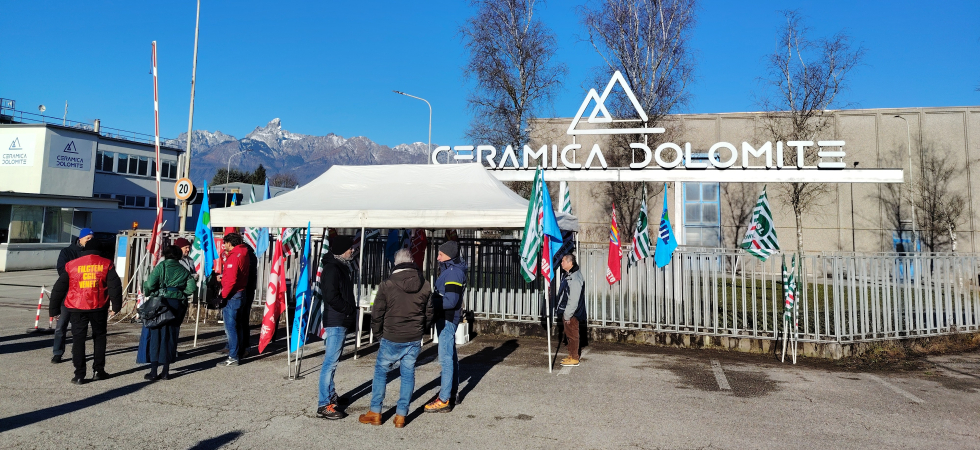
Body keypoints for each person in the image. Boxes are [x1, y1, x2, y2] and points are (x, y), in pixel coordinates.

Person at [359, 249, 433, 428]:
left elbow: (377, 313)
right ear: (412, 262)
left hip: (391, 335)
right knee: (408, 374)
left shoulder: (387, 284)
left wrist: (378, 333)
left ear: (396, 264)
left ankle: (375, 412)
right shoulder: (425, 285)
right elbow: (429, 313)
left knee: (381, 372)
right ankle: (401, 415)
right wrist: (421, 330)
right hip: (413, 336)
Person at [48, 240, 122, 384]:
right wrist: (116, 306)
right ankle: (98, 370)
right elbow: (115, 286)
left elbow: (59, 288)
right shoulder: (106, 264)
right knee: (99, 337)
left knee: (78, 339)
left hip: (76, 306)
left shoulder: (72, 265)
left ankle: (79, 374)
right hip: (98, 306)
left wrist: (54, 309)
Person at [137, 244, 196, 380]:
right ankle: (165, 371)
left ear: (165, 254)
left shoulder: (161, 267)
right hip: (176, 304)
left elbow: (150, 285)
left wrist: (152, 292)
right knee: (170, 336)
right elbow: (192, 288)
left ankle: (153, 371)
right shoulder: (183, 269)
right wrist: (181, 294)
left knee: (155, 335)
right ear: (178, 256)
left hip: (160, 303)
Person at [316, 235, 357, 420]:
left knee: (333, 361)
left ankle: (331, 396)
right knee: (330, 363)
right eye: (350, 248)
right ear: (341, 250)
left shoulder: (340, 266)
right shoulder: (332, 268)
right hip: (336, 320)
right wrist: (348, 309)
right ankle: (324, 404)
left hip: (340, 319)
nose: (352, 251)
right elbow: (331, 296)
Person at [425, 240, 467, 413]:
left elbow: (451, 301)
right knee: (450, 356)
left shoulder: (453, 273)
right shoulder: (450, 270)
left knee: (446, 358)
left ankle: (444, 399)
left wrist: (430, 302)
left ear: (449, 256)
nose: (437, 257)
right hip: (446, 318)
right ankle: (452, 393)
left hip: (447, 318)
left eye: (440, 254)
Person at [50, 228, 94, 364]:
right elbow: (61, 270)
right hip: (68, 294)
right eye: (88, 238)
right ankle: (58, 352)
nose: (90, 241)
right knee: (61, 325)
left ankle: (77, 352)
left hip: (84, 295)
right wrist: (78, 275)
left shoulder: (92, 254)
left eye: (92, 239)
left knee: (79, 328)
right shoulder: (67, 252)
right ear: (80, 238)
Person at [217, 233, 250, 367]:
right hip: (241, 292)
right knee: (238, 325)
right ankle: (239, 352)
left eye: (225, 243)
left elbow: (231, 279)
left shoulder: (234, 256)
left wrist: (223, 296)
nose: (224, 246)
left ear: (229, 243)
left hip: (233, 294)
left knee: (230, 327)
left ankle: (233, 356)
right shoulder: (244, 253)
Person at [556, 253, 587, 367]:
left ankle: (574, 358)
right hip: (568, 311)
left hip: (572, 313)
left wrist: (567, 315)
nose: (561, 263)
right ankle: (571, 355)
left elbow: (573, 299)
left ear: (570, 263)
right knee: (569, 335)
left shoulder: (574, 278)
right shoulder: (569, 275)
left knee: (573, 335)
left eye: (563, 261)